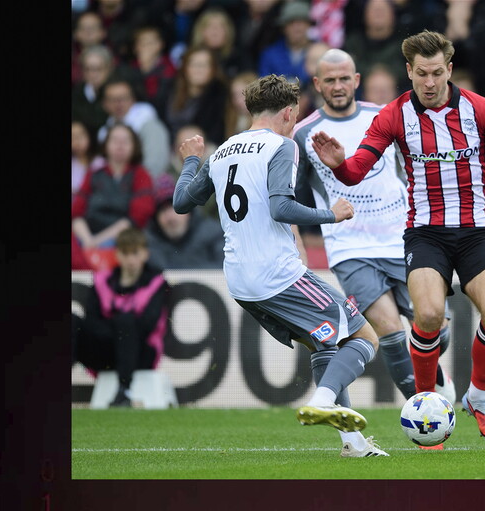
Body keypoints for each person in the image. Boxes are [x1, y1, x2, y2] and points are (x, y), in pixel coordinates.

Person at [310, 30, 485, 445]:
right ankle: (427, 402)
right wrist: (341, 166)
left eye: (437, 73)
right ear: (409, 71)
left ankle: (479, 398)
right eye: (421, 74)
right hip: (424, 234)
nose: (429, 83)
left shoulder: (478, 109)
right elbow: (357, 169)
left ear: (448, 70)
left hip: (476, 231)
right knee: (428, 316)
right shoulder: (394, 115)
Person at [172, 74, 389, 457]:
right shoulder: (282, 146)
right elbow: (280, 207)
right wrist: (332, 214)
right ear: (289, 113)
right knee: (362, 337)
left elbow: (182, 202)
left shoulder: (223, 150)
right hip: (277, 274)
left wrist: (191, 160)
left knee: (324, 343)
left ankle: (353, 444)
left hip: (239, 280)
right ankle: (323, 402)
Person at [293, 49, 455, 449]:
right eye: (329, 80)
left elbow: (418, 165)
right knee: (388, 332)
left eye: (344, 78)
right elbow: (295, 197)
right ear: (317, 85)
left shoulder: (385, 116)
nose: (337, 86)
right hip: (350, 247)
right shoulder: (303, 134)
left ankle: (436, 381)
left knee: (436, 327)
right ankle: (425, 419)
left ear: (357, 78)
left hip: (402, 237)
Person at [72, 226, 171, 407]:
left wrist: (118, 324)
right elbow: (91, 321)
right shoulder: (101, 281)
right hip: (106, 350)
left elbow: (147, 324)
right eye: (125, 253)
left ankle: (124, 391)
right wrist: (116, 328)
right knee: (72, 321)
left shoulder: (157, 283)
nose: (131, 259)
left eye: (135, 253)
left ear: (145, 254)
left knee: (126, 322)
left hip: (142, 353)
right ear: (117, 255)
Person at [72, 123, 156, 251]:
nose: (120, 145)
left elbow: (138, 217)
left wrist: (97, 242)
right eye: (115, 140)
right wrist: (87, 240)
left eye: (125, 141)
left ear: (135, 146)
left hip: (124, 241)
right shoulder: (94, 174)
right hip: (87, 239)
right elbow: (76, 213)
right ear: (105, 145)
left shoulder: (141, 174)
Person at [145, 174, 224, 270]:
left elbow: (226, 272)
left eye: (176, 209)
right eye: (163, 211)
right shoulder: (148, 245)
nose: (170, 217)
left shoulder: (214, 234)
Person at [98, 78, 172, 180]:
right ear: (104, 104)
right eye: (113, 99)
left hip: (144, 187)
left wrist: (137, 186)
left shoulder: (149, 124)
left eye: (123, 98)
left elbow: (156, 163)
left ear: (133, 99)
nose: (119, 104)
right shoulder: (104, 132)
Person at [160, 45, 229, 147]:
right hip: (168, 148)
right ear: (185, 68)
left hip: (204, 150)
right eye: (194, 64)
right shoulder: (169, 88)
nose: (198, 70)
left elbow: (216, 135)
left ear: (213, 70)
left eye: (204, 65)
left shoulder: (221, 95)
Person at [343, 0, 409, 94]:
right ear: (364, 15)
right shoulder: (353, 42)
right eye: (374, 10)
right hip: (360, 92)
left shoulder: (405, 42)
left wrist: (385, 77)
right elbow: (349, 70)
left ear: (393, 15)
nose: (378, 13)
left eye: (382, 10)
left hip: (399, 91)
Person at [257, 0, 314, 86]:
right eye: (291, 23)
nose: (296, 27)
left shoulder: (318, 50)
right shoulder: (270, 55)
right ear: (283, 28)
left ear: (308, 25)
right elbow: (264, 87)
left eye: (300, 22)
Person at [126, 24, 177, 110]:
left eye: (151, 42)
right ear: (135, 48)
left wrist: (148, 68)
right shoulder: (129, 69)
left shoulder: (169, 68)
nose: (147, 46)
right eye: (143, 43)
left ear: (161, 45)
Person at [72, 44, 115, 139]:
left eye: (98, 69)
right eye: (87, 69)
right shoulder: (76, 93)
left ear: (109, 69)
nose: (92, 74)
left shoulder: (117, 92)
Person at [72, 119, 105, 202]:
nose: (76, 141)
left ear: (89, 136)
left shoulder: (100, 163)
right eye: (72, 137)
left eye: (80, 136)